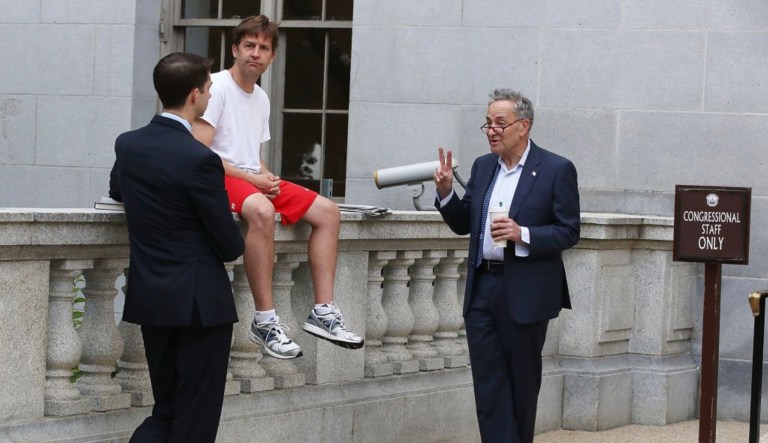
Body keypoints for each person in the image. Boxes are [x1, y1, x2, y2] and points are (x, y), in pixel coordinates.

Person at [192, 15, 363, 360]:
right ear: (235, 49)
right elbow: (199, 154)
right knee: (262, 210)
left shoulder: (261, 99)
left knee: (329, 211)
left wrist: (266, 178)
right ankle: (265, 321)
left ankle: (324, 312)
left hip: (248, 177)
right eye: (250, 46)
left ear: (272, 57)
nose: (256, 53)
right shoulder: (217, 86)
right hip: (218, 178)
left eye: (264, 48)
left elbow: (254, 158)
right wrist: (254, 181)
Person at [109, 52, 245, 442]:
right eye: (207, 88)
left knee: (166, 410)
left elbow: (117, 189)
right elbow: (228, 244)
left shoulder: (129, 145)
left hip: (153, 299)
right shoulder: (200, 159)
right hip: (201, 305)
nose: (208, 94)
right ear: (193, 95)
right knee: (195, 421)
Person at [434, 89, 580, 443]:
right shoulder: (484, 167)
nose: (492, 130)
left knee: (522, 381)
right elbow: (464, 222)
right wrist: (446, 193)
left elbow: (569, 231)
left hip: (526, 291)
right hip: (482, 288)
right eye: (488, 124)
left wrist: (522, 233)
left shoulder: (556, 169)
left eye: (500, 123)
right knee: (488, 383)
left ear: (524, 126)